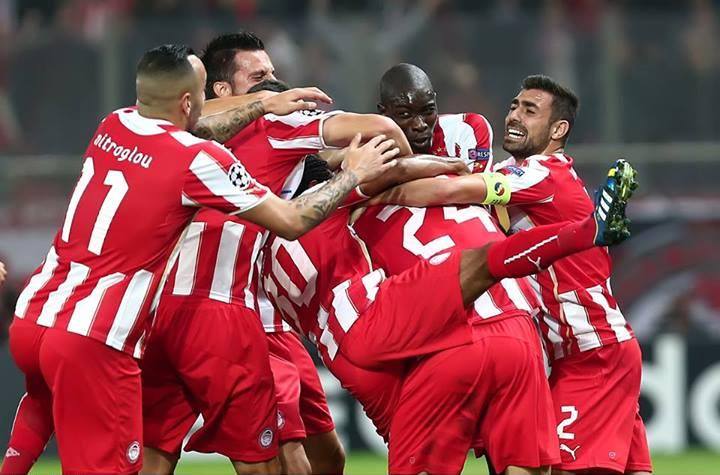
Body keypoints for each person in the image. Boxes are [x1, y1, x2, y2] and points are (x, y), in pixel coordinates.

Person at [0, 44, 399, 475]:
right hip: (120, 330)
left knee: (66, 420)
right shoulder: (198, 160)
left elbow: (200, 124)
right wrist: (354, 173)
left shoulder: (114, 124)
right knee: (260, 461)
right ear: (191, 100)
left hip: (46, 314)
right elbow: (290, 219)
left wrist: (262, 103)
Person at [263, 152, 637, 475]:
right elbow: (392, 171)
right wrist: (449, 164)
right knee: (484, 263)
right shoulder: (320, 204)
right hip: (375, 316)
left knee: (401, 448)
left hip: (345, 353)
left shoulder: (261, 254)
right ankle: (586, 231)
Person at [141, 31, 412, 475]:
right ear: (220, 90)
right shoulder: (249, 126)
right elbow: (382, 132)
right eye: (258, 77)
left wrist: (330, 165)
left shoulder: (178, 134)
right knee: (275, 460)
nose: (274, 85)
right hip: (223, 313)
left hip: (249, 311)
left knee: (325, 457)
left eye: (273, 74)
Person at [375, 75, 652, 475]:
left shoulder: (541, 173)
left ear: (558, 130)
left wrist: (370, 193)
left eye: (530, 110)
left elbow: (449, 192)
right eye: (513, 106)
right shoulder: (519, 172)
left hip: (591, 353)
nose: (514, 116)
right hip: (590, 350)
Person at [378, 63, 494, 172]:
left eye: (428, 111)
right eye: (405, 114)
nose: (420, 125)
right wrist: (453, 166)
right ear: (384, 113)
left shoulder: (467, 128)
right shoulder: (372, 151)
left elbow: (477, 185)